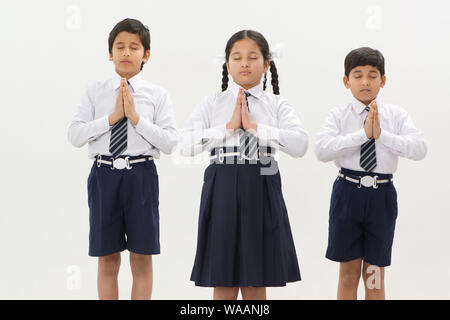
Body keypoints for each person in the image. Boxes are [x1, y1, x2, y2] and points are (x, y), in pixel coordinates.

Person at [180, 30, 308, 300]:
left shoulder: (276, 104)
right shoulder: (213, 102)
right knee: (223, 275)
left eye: (253, 57)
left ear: (267, 64)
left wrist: (255, 127)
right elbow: (184, 144)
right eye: (237, 57)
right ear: (227, 64)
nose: (245, 63)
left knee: (255, 276)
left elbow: (300, 144)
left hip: (262, 179)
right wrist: (227, 128)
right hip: (222, 181)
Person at [68, 18, 178, 299]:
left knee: (141, 257)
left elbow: (170, 142)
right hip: (104, 175)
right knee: (107, 256)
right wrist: (112, 118)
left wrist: (136, 119)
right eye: (120, 47)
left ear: (146, 55)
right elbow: (75, 135)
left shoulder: (158, 94)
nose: (126, 53)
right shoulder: (95, 91)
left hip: (141, 176)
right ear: (110, 54)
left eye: (134, 47)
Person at [315, 47, 427, 300]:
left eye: (372, 75)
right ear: (346, 81)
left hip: (381, 197)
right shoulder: (338, 115)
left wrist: (382, 135)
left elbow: (420, 149)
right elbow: (321, 150)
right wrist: (362, 135)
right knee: (348, 275)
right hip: (347, 194)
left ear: (383, 80)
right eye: (357, 75)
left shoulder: (396, 115)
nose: (365, 81)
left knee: (375, 277)